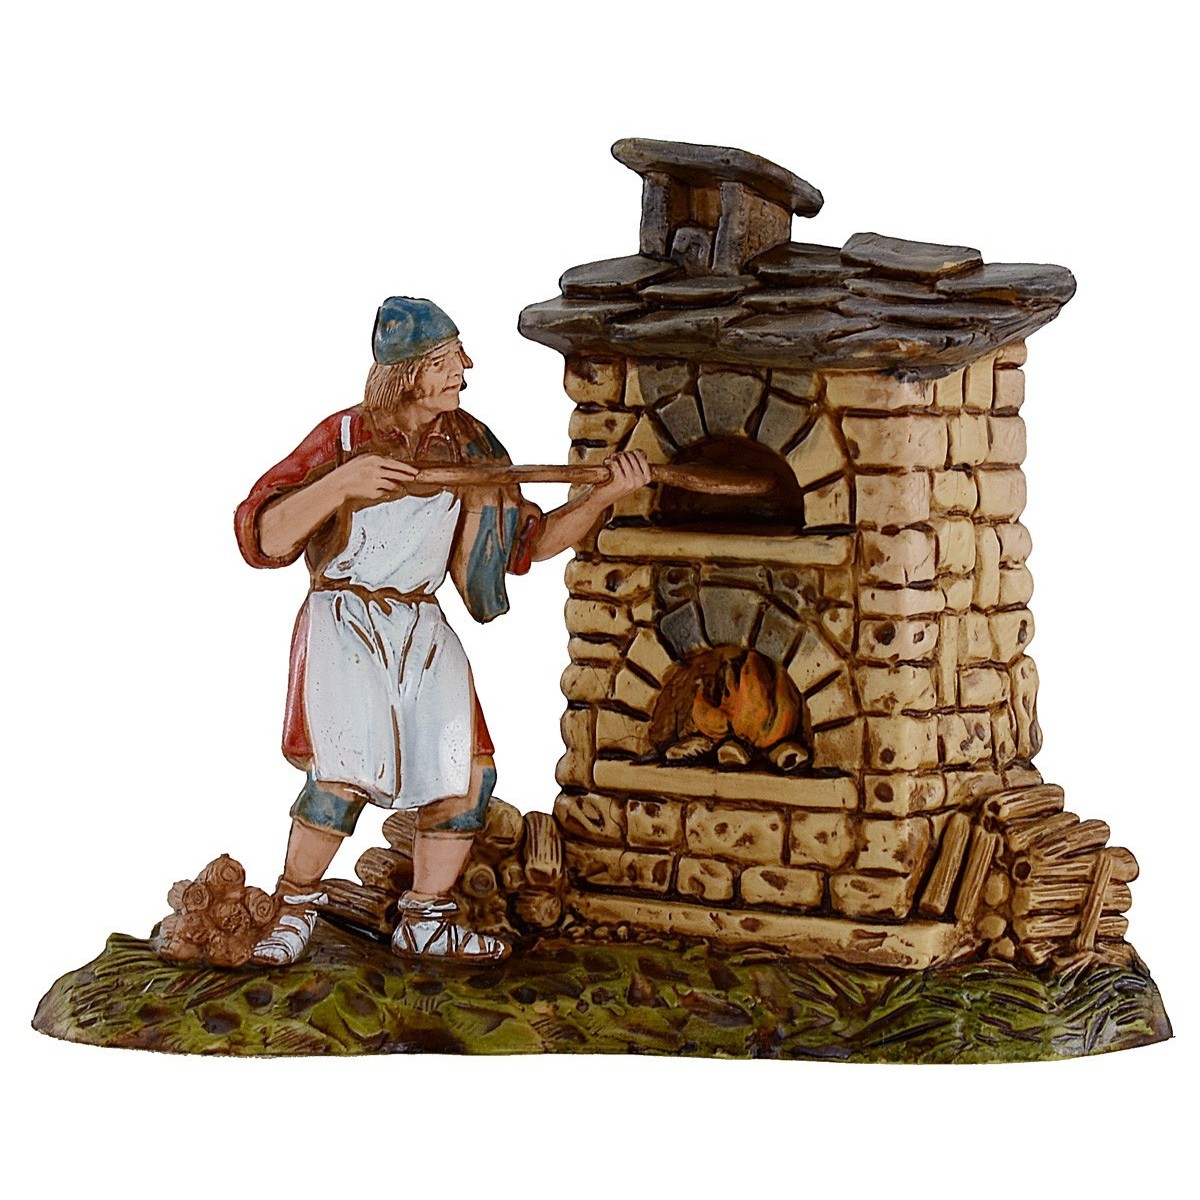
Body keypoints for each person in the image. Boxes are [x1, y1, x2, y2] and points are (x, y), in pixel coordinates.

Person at [233, 296, 649, 965]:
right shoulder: (343, 439)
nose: (465, 368)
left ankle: (426, 919)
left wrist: (602, 497)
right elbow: (263, 535)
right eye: (447, 359)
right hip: (346, 619)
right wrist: (341, 485)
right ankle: (293, 909)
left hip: (420, 623)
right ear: (407, 373)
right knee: (343, 774)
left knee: (467, 772)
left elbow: (528, 544)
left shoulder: (472, 446)